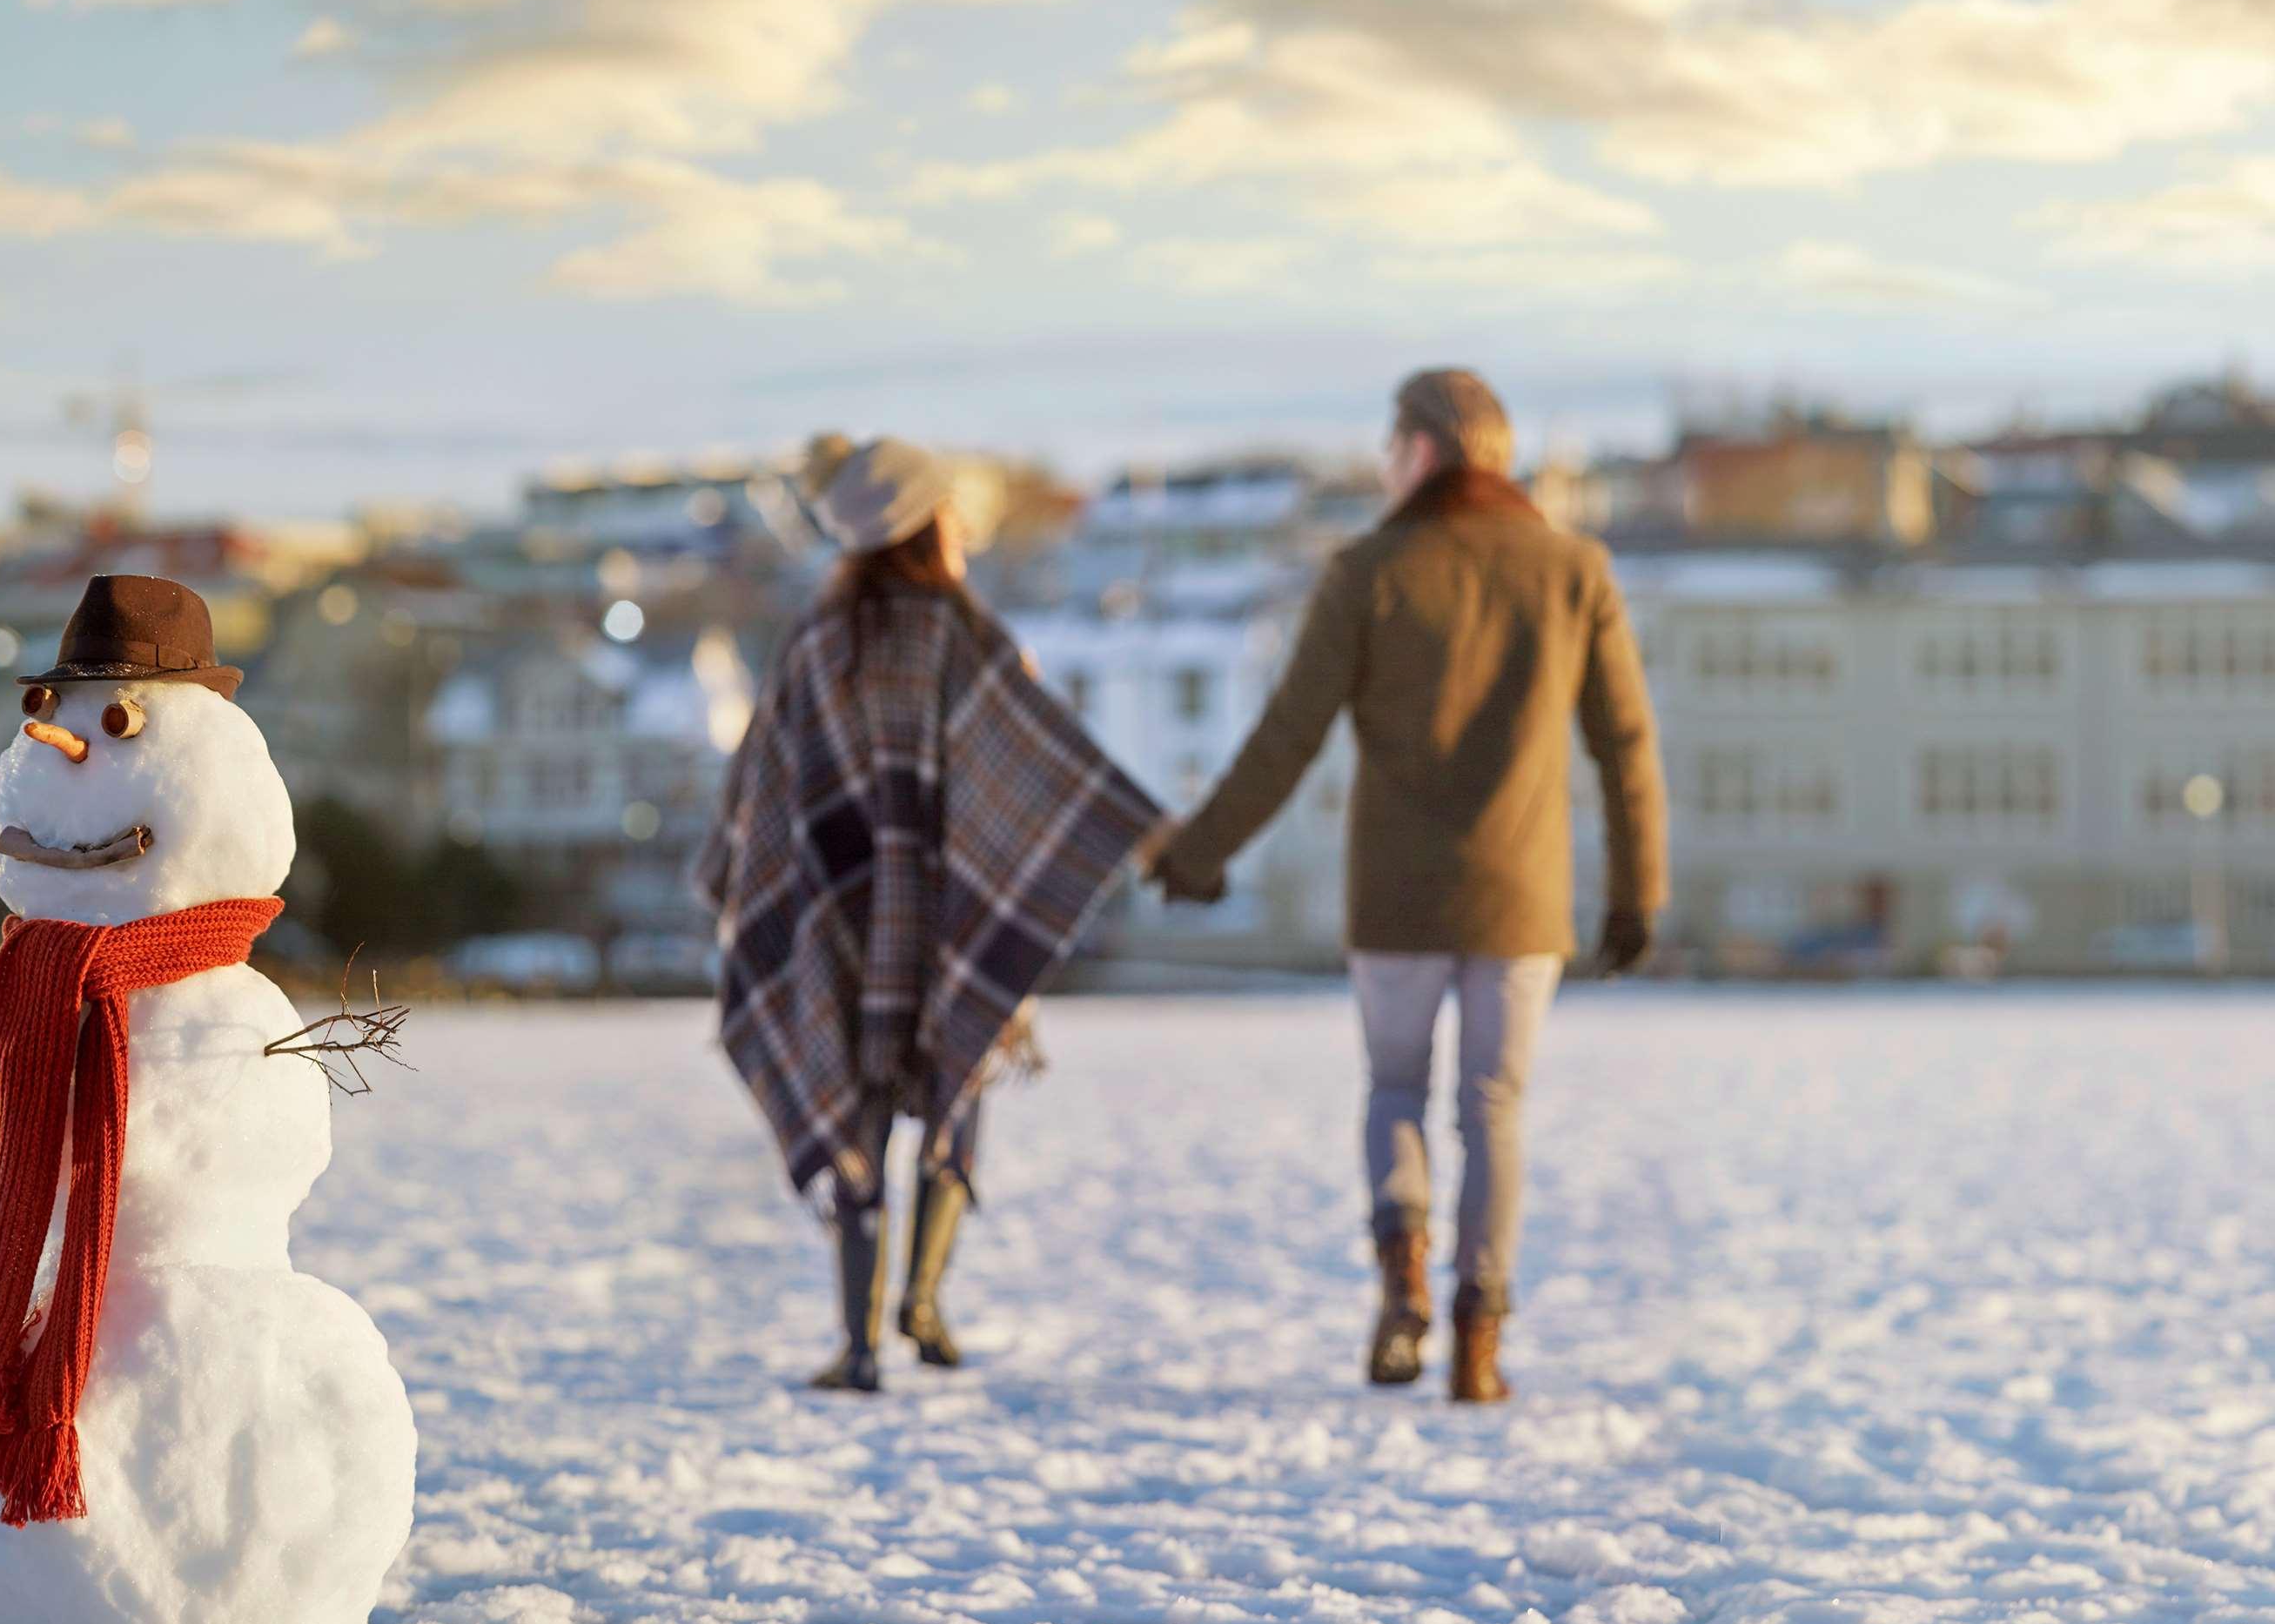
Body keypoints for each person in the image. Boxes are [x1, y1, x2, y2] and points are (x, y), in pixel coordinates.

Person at [1156, 369, 1667, 1405]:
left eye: (1391, 447)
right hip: (1519, 898)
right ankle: (1478, 1345)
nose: (1384, 466)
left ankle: (1401, 1287)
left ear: (1425, 450)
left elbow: (1285, 737)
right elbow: (1623, 744)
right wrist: (1632, 896)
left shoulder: (1366, 570)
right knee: (1493, 1109)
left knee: (1394, 1089)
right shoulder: (1572, 570)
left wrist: (1197, 853)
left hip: (1393, 894)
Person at [700, 435, 1174, 1393]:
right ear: (926, 524)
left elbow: (758, 792)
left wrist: (742, 883)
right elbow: (1041, 759)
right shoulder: (964, 633)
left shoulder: (813, 640)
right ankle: (921, 1300)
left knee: (855, 1111)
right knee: (956, 1084)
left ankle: (859, 1342)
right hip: (947, 909)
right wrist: (1150, 835)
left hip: (836, 917)